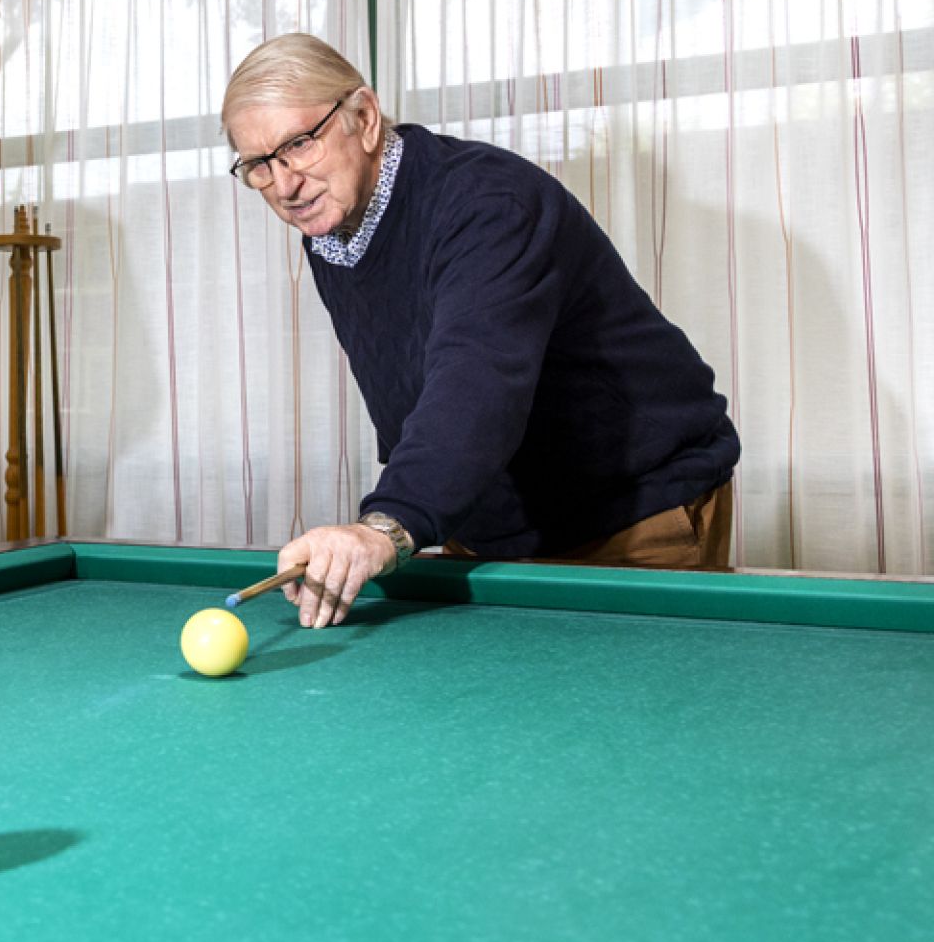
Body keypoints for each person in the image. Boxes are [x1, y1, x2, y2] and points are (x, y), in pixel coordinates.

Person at [221, 34, 740, 628]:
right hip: (486, 524)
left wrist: (390, 522)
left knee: (634, 718)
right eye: (259, 165)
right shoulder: (331, 223)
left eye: (299, 144)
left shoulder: (488, 203)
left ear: (364, 118)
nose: (284, 184)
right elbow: (406, 379)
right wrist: (432, 507)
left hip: (635, 513)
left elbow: (478, 377)